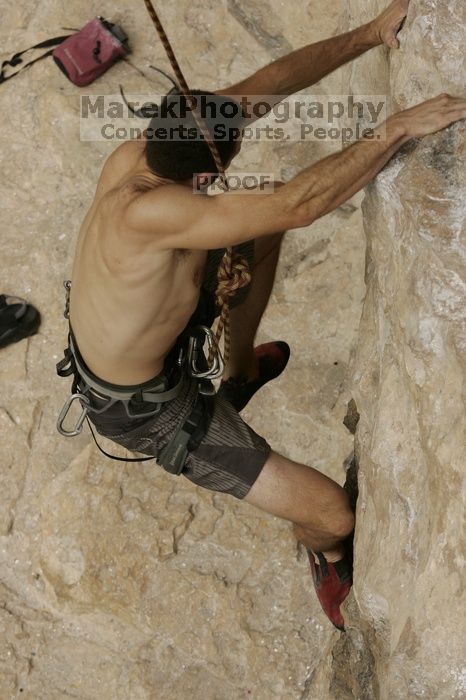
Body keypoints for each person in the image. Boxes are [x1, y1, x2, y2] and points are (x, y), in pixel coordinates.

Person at [58, 0, 466, 630]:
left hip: (143, 331)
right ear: (202, 172)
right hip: (145, 407)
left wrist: (370, 33)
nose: (245, 122)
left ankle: (240, 371)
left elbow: (272, 83)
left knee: (255, 233)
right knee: (334, 513)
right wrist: (397, 128)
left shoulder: (158, 145)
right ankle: (327, 562)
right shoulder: (155, 212)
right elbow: (300, 203)